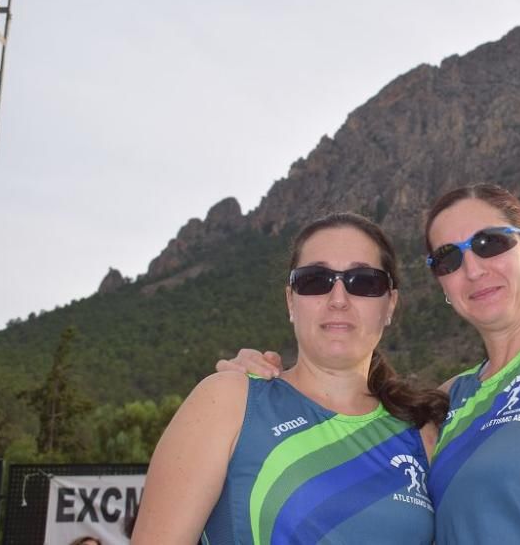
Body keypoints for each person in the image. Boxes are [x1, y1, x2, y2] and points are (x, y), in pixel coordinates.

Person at [225, 184, 520, 543]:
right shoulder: (445, 401)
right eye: (449, 258)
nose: (473, 269)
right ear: (442, 283)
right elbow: (349, 415)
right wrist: (267, 383)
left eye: (490, 243)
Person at [134, 213, 446, 544]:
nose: (338, 299)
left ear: (390, 304)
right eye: (315, 280)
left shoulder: (422, 436)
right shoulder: (229, 402)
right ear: (290, 301)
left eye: (364, 281)